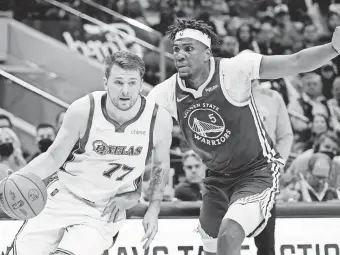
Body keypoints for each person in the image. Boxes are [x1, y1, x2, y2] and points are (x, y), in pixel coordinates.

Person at [147, 19, 340, 255]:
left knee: (230, 234)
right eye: (176, 49)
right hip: (216, 177)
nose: (179, 55)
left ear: (207, 53)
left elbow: (295, 61)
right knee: (212, 248)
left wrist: (333, 48)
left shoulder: (234, 69)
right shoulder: (164, 93)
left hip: (257, 170)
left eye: (188, 48)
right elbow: (148, 145)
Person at [2, 51, 173, 255]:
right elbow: (53, 157)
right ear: (105, 82)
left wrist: (153, 208)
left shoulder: (158, 119)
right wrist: (15, 180)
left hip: (103, 211)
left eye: (132, 83)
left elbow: (161, 164)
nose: (126, 90)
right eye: (118, 82)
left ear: (141, 83)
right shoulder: (84, 109)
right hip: (62, 196)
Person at [252, 79, 293, 255]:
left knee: (266, 241)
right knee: (229, 236)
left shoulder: (273, 97)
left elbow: (285, 135)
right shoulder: (224, 94)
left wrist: (278, 163)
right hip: (233, 175)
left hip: (265, 174)